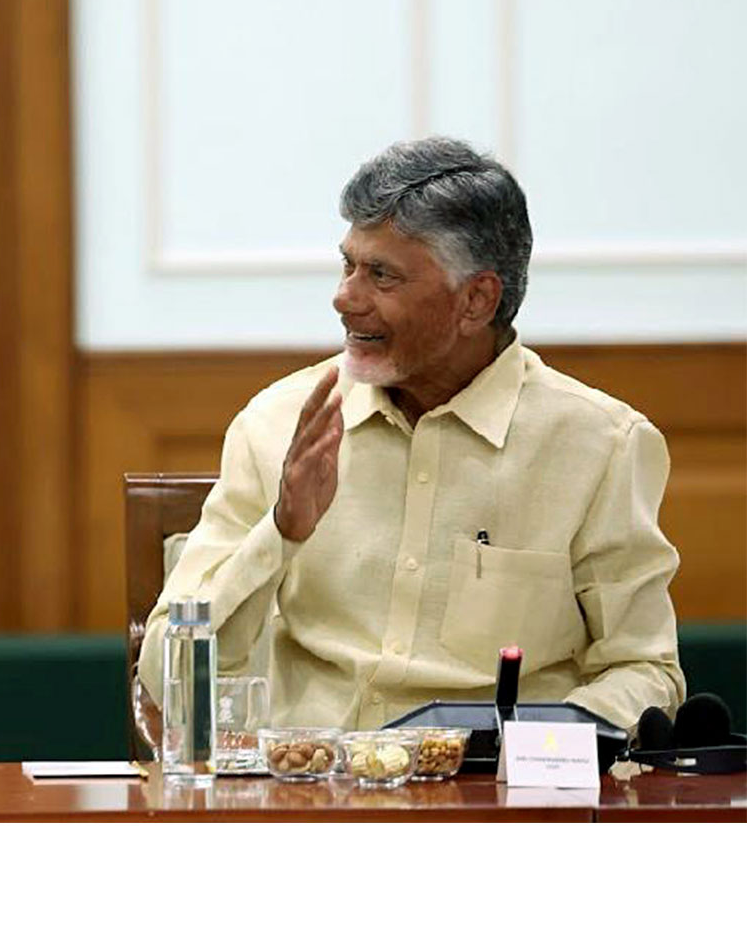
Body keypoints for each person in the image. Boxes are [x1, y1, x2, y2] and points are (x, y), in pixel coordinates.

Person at [139, 138, 684, 735]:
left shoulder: (599, 445)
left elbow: (644, 670)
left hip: (498, 806)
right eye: (348, 264)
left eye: (381, 275)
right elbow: (166, 672)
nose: (345, 298)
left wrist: (537, 749)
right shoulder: (278, 424)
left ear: (475, 300)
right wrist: (282, 530)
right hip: (316, 798)